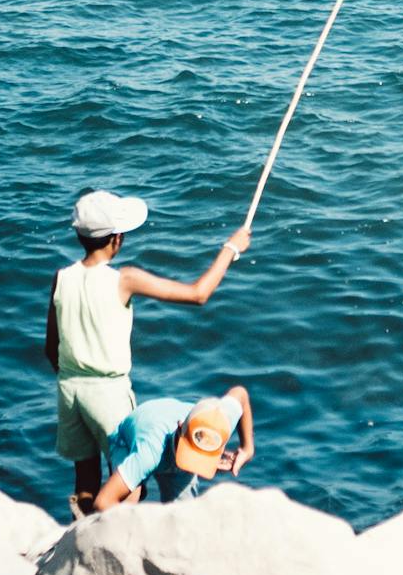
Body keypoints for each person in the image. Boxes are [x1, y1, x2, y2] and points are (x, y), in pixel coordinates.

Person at [46, 188, 251, 511]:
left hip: (69, 391)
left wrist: (74, 377)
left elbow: (51, 347)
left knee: (85, 478)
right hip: (108, 394)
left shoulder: (62, 278)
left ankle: (80, 533)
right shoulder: (124, 279)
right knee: (130, 486)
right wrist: (231, 248)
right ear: (116, 239)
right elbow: (198, 294)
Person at [93, 385, 255, 510]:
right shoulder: (149, 452)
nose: (189, 465)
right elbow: (103, 501)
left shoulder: (221, 420)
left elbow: (240, 394)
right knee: (126, 505)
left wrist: (247, 449)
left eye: (200, 459)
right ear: (179, 428)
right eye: (190, 456)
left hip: (168, 440)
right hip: (127, 442)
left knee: (183, 518)